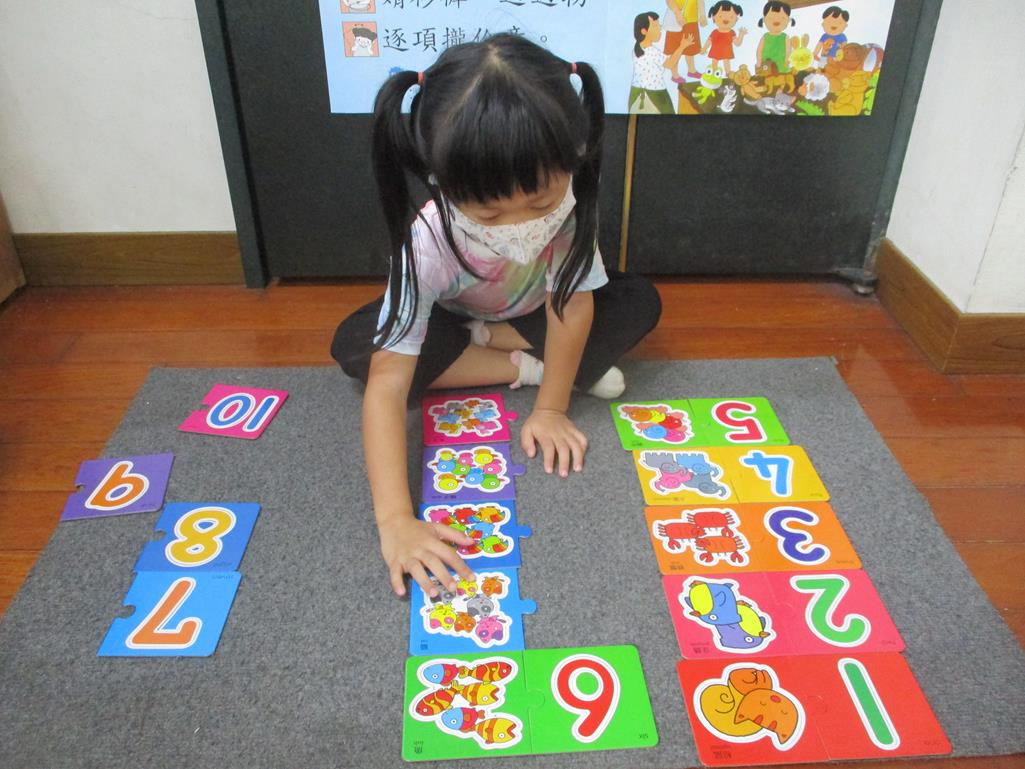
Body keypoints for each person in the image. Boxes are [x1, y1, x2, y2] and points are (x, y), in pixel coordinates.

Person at [331, 34, 662, 598]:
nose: (520, 225)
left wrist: (551, 409)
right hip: (450, 318)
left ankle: (502, 345)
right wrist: (396, 521)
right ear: (441, 180)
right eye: (488, 212)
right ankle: (530, 365)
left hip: (535, 313)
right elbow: (387, 387)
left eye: (539, 203)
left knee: (638, 302)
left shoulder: (571, 207)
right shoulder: (427, 243)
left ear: (574, 158)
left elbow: (573, 302)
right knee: (359, 346)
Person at [630, 12, 695, 114]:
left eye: (659, 25)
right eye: (655, 26)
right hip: (654, 94)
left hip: (636, 92)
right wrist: (682, 46)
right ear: (644, 31)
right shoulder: (651, 52)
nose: (660, 28)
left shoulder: (637, 49)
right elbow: (670, 64)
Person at [756, 1, 795, 74]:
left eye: (782, 18)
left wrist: (787, 60)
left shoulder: (785, 37)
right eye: (771, 18)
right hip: (767, 66)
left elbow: (788, 50)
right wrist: (759, 61)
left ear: (789, 20)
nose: (776, 20)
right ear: (764, 19)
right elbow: (759, 50)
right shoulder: (765, 37)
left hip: (782, 66)